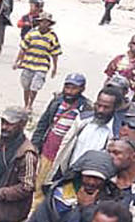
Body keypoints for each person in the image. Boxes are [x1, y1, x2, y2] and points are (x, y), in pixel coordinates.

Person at [30, 73, 90, 204]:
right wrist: (34, 145)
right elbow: (43, 123)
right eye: (67, 87)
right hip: (48, 152)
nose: (69, 91)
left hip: (65, 157)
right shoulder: (57, 101)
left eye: (74, 88)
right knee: (38, 186)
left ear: (82, 89)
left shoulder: (86, 108)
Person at [50, 88, 122, 178]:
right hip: (69, 174)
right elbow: (65, 147)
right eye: (98, 105)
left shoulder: (117, 132)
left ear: (116, 108)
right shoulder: (82, 120)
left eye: (106, 107)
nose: (100, 110)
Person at [13, 12, 61, 111]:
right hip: (28, 63)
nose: (44, 24)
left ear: (49, 24)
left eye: (46, 22)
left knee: (35, 87)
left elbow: (55, 53)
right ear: (39, 22)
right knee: (26, 85)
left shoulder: (52, 37)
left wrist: (54, 68)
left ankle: (30, 104)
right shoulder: (31, 33)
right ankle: (26, 103)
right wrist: (17, 61)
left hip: (42, 66)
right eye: (42, 22)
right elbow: (23, 48)